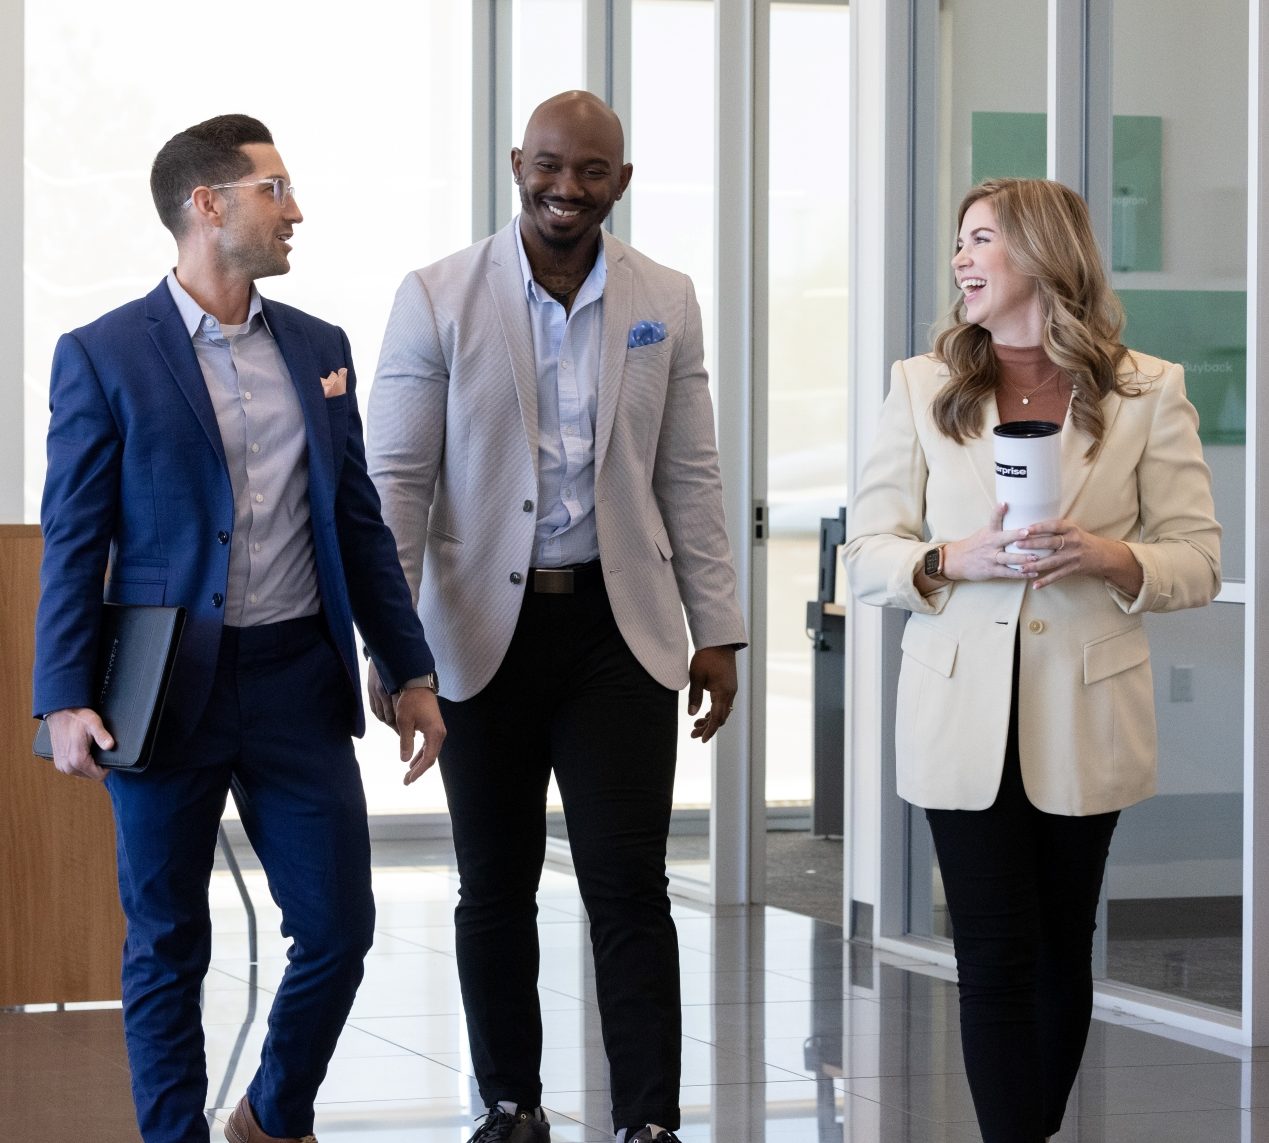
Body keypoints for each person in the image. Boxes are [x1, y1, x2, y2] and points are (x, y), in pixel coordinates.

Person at [33, 114, 446, 1143]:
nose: (295, 209)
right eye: (275, 189)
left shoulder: (318, 348)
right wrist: (63, 695)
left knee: (341, 928)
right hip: (163, 687)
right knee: (168, 940)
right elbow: (76, 541)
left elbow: (357, 521)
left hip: (295, 679)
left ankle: (270, 1114)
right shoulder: (102, 355)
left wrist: (410, 667)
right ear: (205, 205)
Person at [365, 90, 747, 1143]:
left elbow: (692, 475)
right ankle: (510, 1103)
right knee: (495, 884)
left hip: (617, 632)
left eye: (588, 172)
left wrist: (716, 627)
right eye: (546, 166)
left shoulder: (663, 297)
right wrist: (395, 649)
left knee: (630, 885)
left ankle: (649, 1122)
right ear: (514, 163)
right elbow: (395, 483)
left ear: (619, 181)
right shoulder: (438, 295)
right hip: (478, 638)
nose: (563, 189)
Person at [845, 177, 1221, 1142]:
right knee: (993, 956)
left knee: (1061, 951)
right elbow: (866, 553)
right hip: (957, 712)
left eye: (980, 241)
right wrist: (945, 558)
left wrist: (1108, 555)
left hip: (1083, 712)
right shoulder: (920, 388)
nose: (961, 261)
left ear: (1042, 255)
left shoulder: (1146, 390)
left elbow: (1199, 560)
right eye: (959, 243)